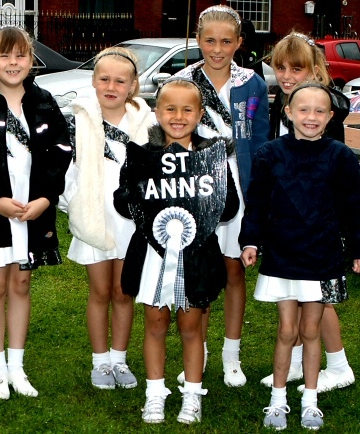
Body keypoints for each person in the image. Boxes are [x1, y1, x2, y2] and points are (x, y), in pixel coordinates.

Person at [240, 82, 360, 430]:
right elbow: (256, 203)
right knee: (287, 330)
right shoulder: (269, 154)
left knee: (311, 330)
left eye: (319, 111)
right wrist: (250, 241)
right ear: (288, 112)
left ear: (330, 117)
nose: (310, 117)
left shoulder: (340, 156)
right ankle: (278, 400)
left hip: (323, 257)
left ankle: (310, 400)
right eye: (303, 109)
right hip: (283, 255)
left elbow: (356, 206)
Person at [113, 78, 239, 424]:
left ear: (200, 114)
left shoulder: (211, 157)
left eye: (187, 109)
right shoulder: (142, 155)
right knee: (154, 323)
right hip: (154, 254)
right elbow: (122, 201)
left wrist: (209, 197)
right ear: (157, 112)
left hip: (196, 255)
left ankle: (192, 395)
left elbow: (229, 208)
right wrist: (136, 193)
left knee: (191, 326)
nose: (178, 116)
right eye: (170, 108)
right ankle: (155, 393)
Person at [0, 26, 72, 400]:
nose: (13, 62)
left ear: (31, 61)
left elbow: (60, 151)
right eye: (4, 55)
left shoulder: (43, 101)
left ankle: (17, 367)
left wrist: (45, 198)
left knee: (21, 284)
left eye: (21, 55)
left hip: (32, 205)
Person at [174, 4, 270, 387]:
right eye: (210, 40)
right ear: (197, 40)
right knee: (199, 272)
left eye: (226, 41)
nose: (217, 49)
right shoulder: (182, 80)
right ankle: (198, 352)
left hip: (240, 187)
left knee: (233, 269)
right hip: (195, 188)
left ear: (239, 43)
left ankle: (232, 354)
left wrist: (260, 192)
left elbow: (260, 141)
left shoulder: (252, 84)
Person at [262, 31, 355, 393]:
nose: (286, 75)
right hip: (289, 221)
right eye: (280, 67)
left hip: (319, 226)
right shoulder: (283, 103)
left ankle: (339, 364)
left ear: (315, 69)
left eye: (296, 68)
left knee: (319, 298)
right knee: (298, 296)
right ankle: (299, 361)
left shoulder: (323, 110)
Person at [58, 47, 155, 390]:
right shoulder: (78, 120)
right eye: (104, 79)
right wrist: (77, 204)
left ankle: (119, 358)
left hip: (132, 222)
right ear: (94, 81)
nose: (111, 86)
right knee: (100, 292)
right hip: (95, 217)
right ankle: (100, 362)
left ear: (132, 86)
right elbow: (66, 171)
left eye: (120, 80)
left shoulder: (148, 122)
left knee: (123, 291)